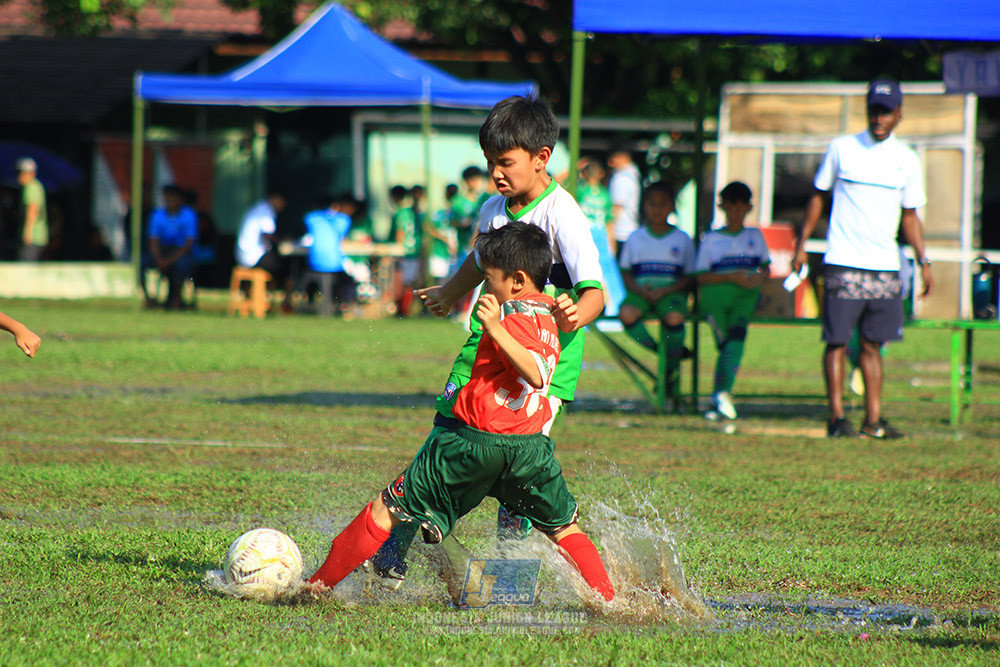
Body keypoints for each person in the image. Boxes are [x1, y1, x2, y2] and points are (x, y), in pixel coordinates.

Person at [367, 94, 606, 589]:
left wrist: (575, 313)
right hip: (481, 352)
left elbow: (595, 293)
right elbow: (479, 262)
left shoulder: (563, 213)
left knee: (519, 478)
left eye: (505, 162)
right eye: (490, 161)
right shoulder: (493, 208)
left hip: (537, 370)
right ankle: (393, 553)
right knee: (444, 437)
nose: (495, 172)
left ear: (541, 158)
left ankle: (507, 583)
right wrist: (450, 292)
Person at [308, 222, 615, 603]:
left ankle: (315, 587)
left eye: (490, 280)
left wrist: (495, 328)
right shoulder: (550, 313)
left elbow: (536, 372)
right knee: (565, 528)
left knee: (386, 508)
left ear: (518, 280)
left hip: (473, 445)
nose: (486, 288)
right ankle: (611, 601)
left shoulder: (514, 317)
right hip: (528, 450)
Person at [793, 78, 933, 439]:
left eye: (886, 111)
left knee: (873, 345)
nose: (879, 117)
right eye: (874, 110)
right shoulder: (842, 148)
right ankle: (837, 419)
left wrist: (924, 260)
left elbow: (910, 216)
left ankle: (873, 421)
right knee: (837, 341)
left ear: (899, 114)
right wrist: (801, 244)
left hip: (885, 266)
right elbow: (818, 196)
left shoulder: (907, 159)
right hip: (843, 261)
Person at [695, 182, 771, 421]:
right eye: (731, 209)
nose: (735, 214)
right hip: (716, 301)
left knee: (735, 341)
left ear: (748, 208)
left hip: (743, 300)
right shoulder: (712, 239)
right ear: (722, 208)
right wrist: (731, 277)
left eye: (740, 209)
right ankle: (718, 397)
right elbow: (700, 276)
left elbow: (766, 268)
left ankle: (721, 395)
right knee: (727, 345)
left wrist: (759, 277)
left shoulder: (754, 236)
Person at [618, 181, 695, 397]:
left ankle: (669, 369)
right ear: (644, 206)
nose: (657, 209)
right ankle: (660, 350)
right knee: (626, 314)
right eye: (652, 203)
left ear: (672, 206)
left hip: (671, 294)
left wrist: (667, 291)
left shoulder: (682, 238)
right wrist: (640, 290)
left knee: (674, 318)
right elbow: (625, 273)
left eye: (663, 204)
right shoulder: (635, 237)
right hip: (640, 293)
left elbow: (690, 277)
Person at [577, 159, 626, 317]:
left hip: (585, 234)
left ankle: (589, 310)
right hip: (601, 236)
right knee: (607, 272)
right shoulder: (605, 194)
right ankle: (614, 308)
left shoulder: (580, 192)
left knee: (585, 272)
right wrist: (612, 245)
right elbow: (609, 222)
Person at [235, 190, 294, 312]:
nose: (282, 207)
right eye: (282, 203)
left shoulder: (257, 208)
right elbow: (268, 235)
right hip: (254, 256)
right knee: (288, 267)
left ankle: (258, 299)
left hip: (243, 255)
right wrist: (283, 241)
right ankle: (285, 303)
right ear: (276, 198)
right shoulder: (266, 211)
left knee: (277, 264)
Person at [300, 195, 357, 315]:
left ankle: (307, 306)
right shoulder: (343, 219)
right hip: (335, 264)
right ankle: (345, 307)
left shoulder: (310, 218)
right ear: (335, 206)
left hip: (314, 262)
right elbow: (342, 238)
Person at [147, 184, 198, 310]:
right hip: (163, 250)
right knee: (142, 262)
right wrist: (159, 259)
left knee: (182, 265)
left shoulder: (189, 216)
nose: (169, 201)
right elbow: (153, 241)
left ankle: (176, 300)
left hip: (180, 252)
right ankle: (149, 299)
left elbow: (188, 244)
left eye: (173, 197)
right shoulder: (157, 215)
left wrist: (168, 261)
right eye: (167, 198)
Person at [388, 185, 421, 316]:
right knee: (409, 282)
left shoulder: (401, 212)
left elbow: (400, 231)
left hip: (404, 252)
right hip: (414, 252)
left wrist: (397, 249)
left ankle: (402, 309)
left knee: (400, 282)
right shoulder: (413, 212)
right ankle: (405, 309)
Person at [607, 145, 641, 261]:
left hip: (621, 232)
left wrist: (610, 231)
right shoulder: (633, 175)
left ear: (624, 158)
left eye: (614, 158)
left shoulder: (622, 178)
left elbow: (616, 207)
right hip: (630, 229)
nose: (611, 163)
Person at [426, 185, 459, 285]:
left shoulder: (459, 213)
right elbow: (428, 228)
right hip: (439, 254)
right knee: (440, 284)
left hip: (456, 256)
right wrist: (443, 238)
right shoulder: (439, 214)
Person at [16, 157, 47, 261]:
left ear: (32, 174)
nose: (20, 176)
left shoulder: (31, 187)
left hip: (33, 237)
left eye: (23, 173)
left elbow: (32, 210)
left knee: (25, 264)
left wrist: (27, 233)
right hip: (38, 237)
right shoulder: (37, 185)